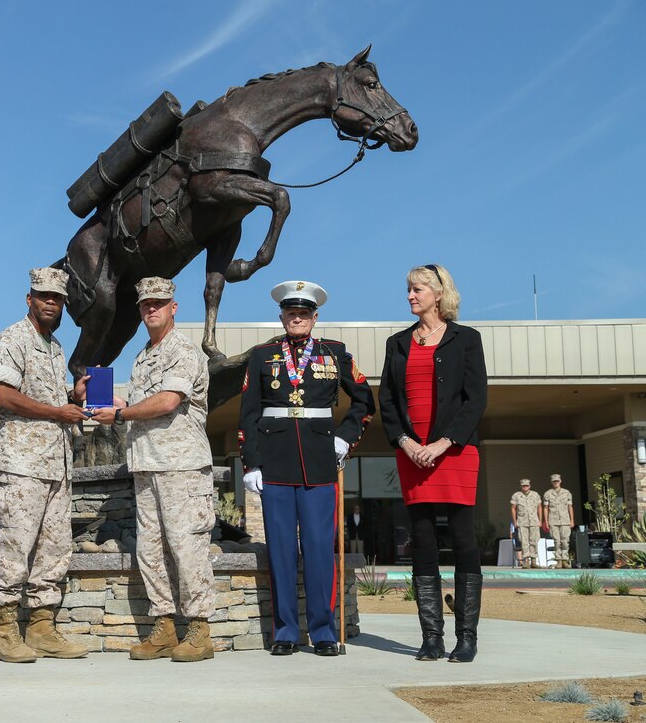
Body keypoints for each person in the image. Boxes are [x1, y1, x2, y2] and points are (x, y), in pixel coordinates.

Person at [239, 280, 374, 657]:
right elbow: (248, 413)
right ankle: (285, 631)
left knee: (317, 548)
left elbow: (364, 401)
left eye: (304, 314)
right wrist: (251, 462)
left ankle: (323, 631)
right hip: (275, 462)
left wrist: (345, 438)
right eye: (290, 313)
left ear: (315, 317)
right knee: (280, 550)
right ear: (281, 316)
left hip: (319, 460)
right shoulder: (261, 354)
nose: (297, 319)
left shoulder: (336, 352)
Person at [92, 277, 216, 663]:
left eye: (159, 303)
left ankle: (199, 630)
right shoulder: (144, 354)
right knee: (150, 551)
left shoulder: (183, 350)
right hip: (147, 465)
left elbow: (166, 402)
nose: (152, 309)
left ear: (174, 308)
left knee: (187, 546)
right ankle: (164, 627)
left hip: (182, 466)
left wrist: (121, 413)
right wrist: (109, 400)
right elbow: (142, 402)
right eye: (146, 303)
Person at [379, 264, 487, 663]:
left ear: (439, 294)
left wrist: (442, 443)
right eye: (408, 289)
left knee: (462, 539)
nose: (410, 295)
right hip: (413, 454)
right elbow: (387, 401)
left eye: (418, 289)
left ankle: (467, 638)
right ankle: (431, 638)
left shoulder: (467, 339)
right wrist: (406, 443)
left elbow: (476, 399)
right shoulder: (397, 343)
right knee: (421, 541)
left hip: (455, 452)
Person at [0, 267, 91, 664]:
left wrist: (72, 394)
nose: (50, 302)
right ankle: (7, 632)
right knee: (17, 544)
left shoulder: (55, 347)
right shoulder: (12, 338)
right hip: (21, 462)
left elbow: (46, 398)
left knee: (53, 548)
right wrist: (58, 412)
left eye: (57, 298)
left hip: (55, 462)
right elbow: (4, 397)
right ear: (29, 299)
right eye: (43, 295)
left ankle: (43, 627)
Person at [543, 473, 575, 568]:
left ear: (560, 481)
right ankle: (559, 561)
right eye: (554, 481)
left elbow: (570, 507)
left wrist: (572, 520)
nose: (556, 482)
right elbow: (545, 508)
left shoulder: (567, 493)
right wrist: (546, 521)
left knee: (565, 541)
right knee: (557, 541)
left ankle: (565, 560)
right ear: (551, 482)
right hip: (553, 520)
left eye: (557, 481)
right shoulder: (548, 494)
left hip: (565, 520)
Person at [511, 479, 542, 568]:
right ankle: (526, 561)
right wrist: (514, 521)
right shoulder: (516, 495)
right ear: (521, 486)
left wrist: (540, 520)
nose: (525, 487)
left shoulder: (535, 495)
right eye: (523, 486)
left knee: (534, 540)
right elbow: (513, 508)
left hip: (534, 522)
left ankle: (533, 561)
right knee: (524, 541)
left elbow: (539, 507)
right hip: (522, 522)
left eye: (527, 486)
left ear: (530, 486)